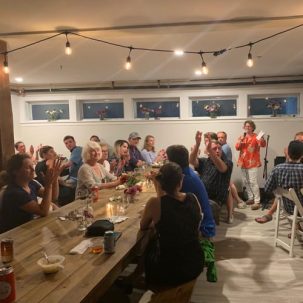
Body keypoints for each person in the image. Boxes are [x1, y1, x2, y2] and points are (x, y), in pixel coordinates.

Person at [141, 162, 204, 288]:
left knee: (148, 243)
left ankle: (142, 276)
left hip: (170, 269)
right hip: (195, 261)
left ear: (160, 181)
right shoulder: (193, 198)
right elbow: (194, 226)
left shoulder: (154, 203)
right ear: (181, 180)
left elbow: (143, 226)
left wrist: (156, 223)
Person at [0, 153, 61, 233]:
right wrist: (48, 185)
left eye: (32, 166)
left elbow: (53, 197)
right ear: (16, 172)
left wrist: (55, 178)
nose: (33, 169)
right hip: (14, 235)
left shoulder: (31, 183)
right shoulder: (14, 192)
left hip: (28, 228)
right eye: (28, 167)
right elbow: (43, 211)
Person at [166, 144, 216, 238]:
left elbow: (167, 200)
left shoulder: (183, 178)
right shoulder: (187, 170)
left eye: (168, 160)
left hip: (202, 229)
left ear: (173, 162)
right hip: (205, 222)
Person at [256, 132, 303, 224]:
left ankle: (296, 229)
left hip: (287, 207)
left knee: (281, 191)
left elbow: (267, 188)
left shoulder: (278, 168)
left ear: (288, 152)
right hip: (299, 207)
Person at [190, 131, 233, 223]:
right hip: (201, 196)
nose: (217, 151)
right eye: (214, 149)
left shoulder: (228, 163)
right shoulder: (205, 161)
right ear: (208, 152)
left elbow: (222, 168)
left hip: (214, 200)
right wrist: (197, 144)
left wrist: (210, 150)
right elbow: (192, 161)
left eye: (219, 149)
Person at [235, 120, 266, 210]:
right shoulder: (241, 137)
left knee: (253, 181)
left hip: (252, 162)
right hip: (243, 161)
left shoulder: (256, 136)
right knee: (245, 181)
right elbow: (237, 147)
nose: (247, 128)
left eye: (249, 126)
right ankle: (250, 198)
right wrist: (240, 142)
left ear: (253, 127)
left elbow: (263, 145)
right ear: (244, 127)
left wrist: (262, 139)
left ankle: (257, 201)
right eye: (246, 126)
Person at [217, 131, 246, 209]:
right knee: (229, 183)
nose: (220, 139)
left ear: (225, 138)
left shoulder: (225, 147)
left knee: (229, 184)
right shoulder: (220, 147)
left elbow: (220, 158)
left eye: (222, 137)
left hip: (226, 169)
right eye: (218, 137)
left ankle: (239, 200)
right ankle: (238, 200)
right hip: (224, 168)